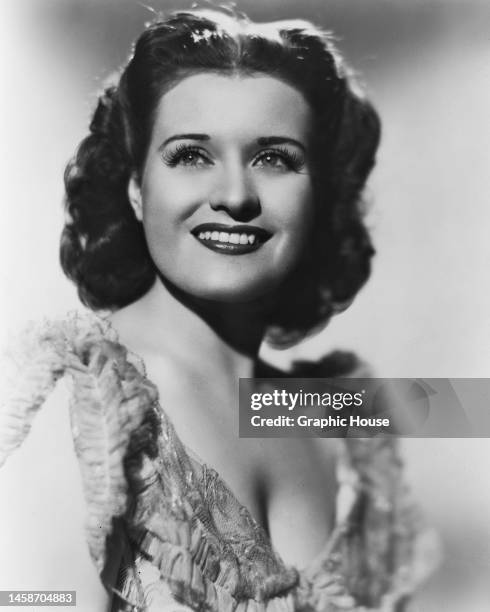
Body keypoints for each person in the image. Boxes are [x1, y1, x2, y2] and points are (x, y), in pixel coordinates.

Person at [0, 7, 437, 611]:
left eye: (275, 158)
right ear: (135, 186)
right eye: (190, 156)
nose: (235, 196)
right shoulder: (74, 403)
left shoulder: (327, 417)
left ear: (321, 195)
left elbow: (457, 405)